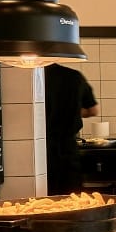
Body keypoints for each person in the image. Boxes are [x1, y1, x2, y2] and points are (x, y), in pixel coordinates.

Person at [44, 63, 99, 195]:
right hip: (68, 151)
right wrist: (72, 111)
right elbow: (92, 110)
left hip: (42, 151)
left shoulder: (35, 76)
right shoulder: (74, 76)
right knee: (71, 198)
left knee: (44, 198)